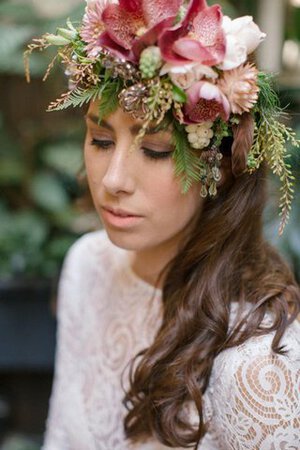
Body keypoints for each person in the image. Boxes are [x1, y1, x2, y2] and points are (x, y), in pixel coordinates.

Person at [24, 0, 300, 449]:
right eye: (100, 139)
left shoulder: (257, 369)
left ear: (221, 167)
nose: (112, 181)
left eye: (155, 150)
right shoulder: (87, 267)